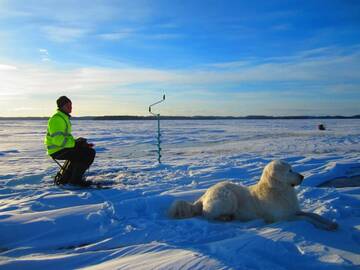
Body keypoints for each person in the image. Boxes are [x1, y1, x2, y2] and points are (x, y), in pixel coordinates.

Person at [45, 96, 96, 187]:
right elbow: (58, 140)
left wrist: (79, 143)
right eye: (68, 105)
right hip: (57, 150)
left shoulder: (63, 117)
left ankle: (69, 177)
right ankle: (75, 181)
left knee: (85, 150)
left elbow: (65, 138)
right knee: (87, 153)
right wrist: (75, 144)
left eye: (71, 105)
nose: (70, 107)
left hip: (61, 148)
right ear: (62, 106)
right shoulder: (57, 119)